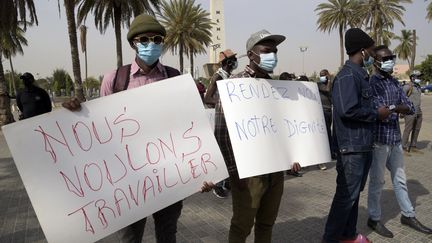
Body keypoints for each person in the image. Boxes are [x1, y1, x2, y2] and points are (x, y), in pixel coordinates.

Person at [62, 13, 213, 243]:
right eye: (144, 40)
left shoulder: (176, 79)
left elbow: (190, 128)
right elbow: (99, 129)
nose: (151, 44)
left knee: (167, 234)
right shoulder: (115, 79)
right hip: (130, 182)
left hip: (169, 176)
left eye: (157, 39)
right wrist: (76, 113)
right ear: (133, 43)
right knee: (130, 238)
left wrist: (204, 172)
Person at [214, 29, 301, 243]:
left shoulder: (278, 88)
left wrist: (294, 156)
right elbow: (222, 134)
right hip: (248, 175)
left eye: (275, 51)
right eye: (266, 51)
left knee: (266, 223)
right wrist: (234, 173)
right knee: (242, 226)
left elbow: (287, 128)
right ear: (251, 55)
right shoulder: (234, 86)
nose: (273, 56)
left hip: (276, 171)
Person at [322, 28, 392, 243]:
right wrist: (376, 114)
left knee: (353, 196)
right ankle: (331, 239)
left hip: (362, 145)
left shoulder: (361, 75)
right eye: (371, 51)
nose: (373, 55)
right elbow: (346, 109)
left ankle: (348, 235)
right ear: (362, 51)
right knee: (346, 197)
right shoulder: (347, 76)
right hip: (351, 148)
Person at [367, 45, 432, 239]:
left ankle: (408, 215)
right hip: (379, 141)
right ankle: (374, 217)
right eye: (386, 58)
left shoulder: (395, 83)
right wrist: (396, 109)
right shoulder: (372, 84)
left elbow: (410, 107)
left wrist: (393, 108)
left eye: (391, 57)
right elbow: (381, 114)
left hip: (395, 139)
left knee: (400, 180)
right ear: (376, 62)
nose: (390, 61)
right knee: (377, 182)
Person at [204, 49, 238, 198]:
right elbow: (207, 98)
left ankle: (229, 182)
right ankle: (217, 185)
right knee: (222, 155)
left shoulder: (228, 76)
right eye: (233, 59)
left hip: (229, 120)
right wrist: (224, 102)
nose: (235, 62)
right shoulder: (218, 76)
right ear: (226, 62)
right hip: (220, 120)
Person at [401, 70, 424, 154]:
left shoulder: (418, 86)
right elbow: (401, 98)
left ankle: (413, 146)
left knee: (417, 128)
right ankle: (404, 147)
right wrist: (402, 111)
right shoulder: (407, 86)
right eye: (418, 76)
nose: (419, 78)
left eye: (420, 76)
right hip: (410, 111)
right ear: (412, 77)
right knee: (408, 129)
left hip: (418, 111)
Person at [317, 69, 333, 170]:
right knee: (324, 134)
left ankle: (330, 153)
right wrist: (329, 80)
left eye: (323, 75)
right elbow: (327, 90)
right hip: (322, 111)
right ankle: (321, 159)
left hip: (329, 111)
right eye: (321, 75)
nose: (322, 76)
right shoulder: (319, 84)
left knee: (328, 133)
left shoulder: (330, 84)